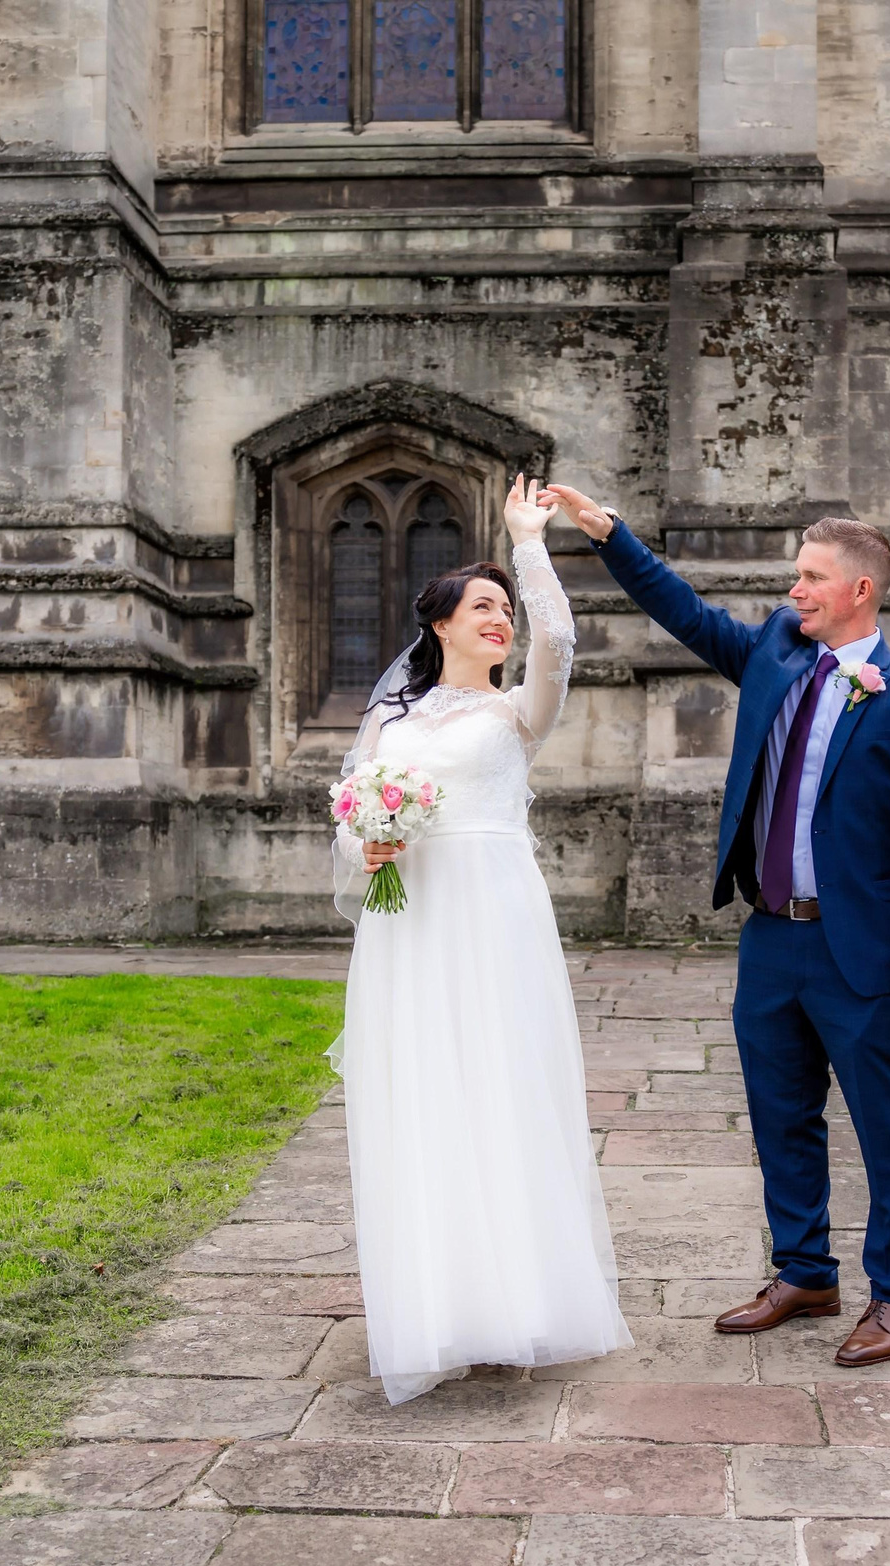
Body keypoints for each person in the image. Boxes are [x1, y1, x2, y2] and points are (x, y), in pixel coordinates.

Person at [544, 483, 890, 1366]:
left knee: (886, 1126)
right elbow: (685, 613)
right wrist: (608, 534)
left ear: (860, 589)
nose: (795, 593)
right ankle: (806, 1273)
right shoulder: (775, 655)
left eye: (812, 578)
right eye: (795, 577)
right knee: (780, 1115)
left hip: (864, 951)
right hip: (771, 935)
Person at [330, 476, 631, 1403]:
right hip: (410, 919)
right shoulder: (391, 720)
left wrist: (528, 544)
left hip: (495, 912)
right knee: (422, 1094)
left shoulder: (517, 712)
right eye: (485, 607)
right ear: (441, 626)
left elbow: (563, 640)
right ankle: (436, 1304)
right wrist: (366, 839)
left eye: (507, 610)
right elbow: (349, 813)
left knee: (503, 1086)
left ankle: (522, 1298)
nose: (501, 620)